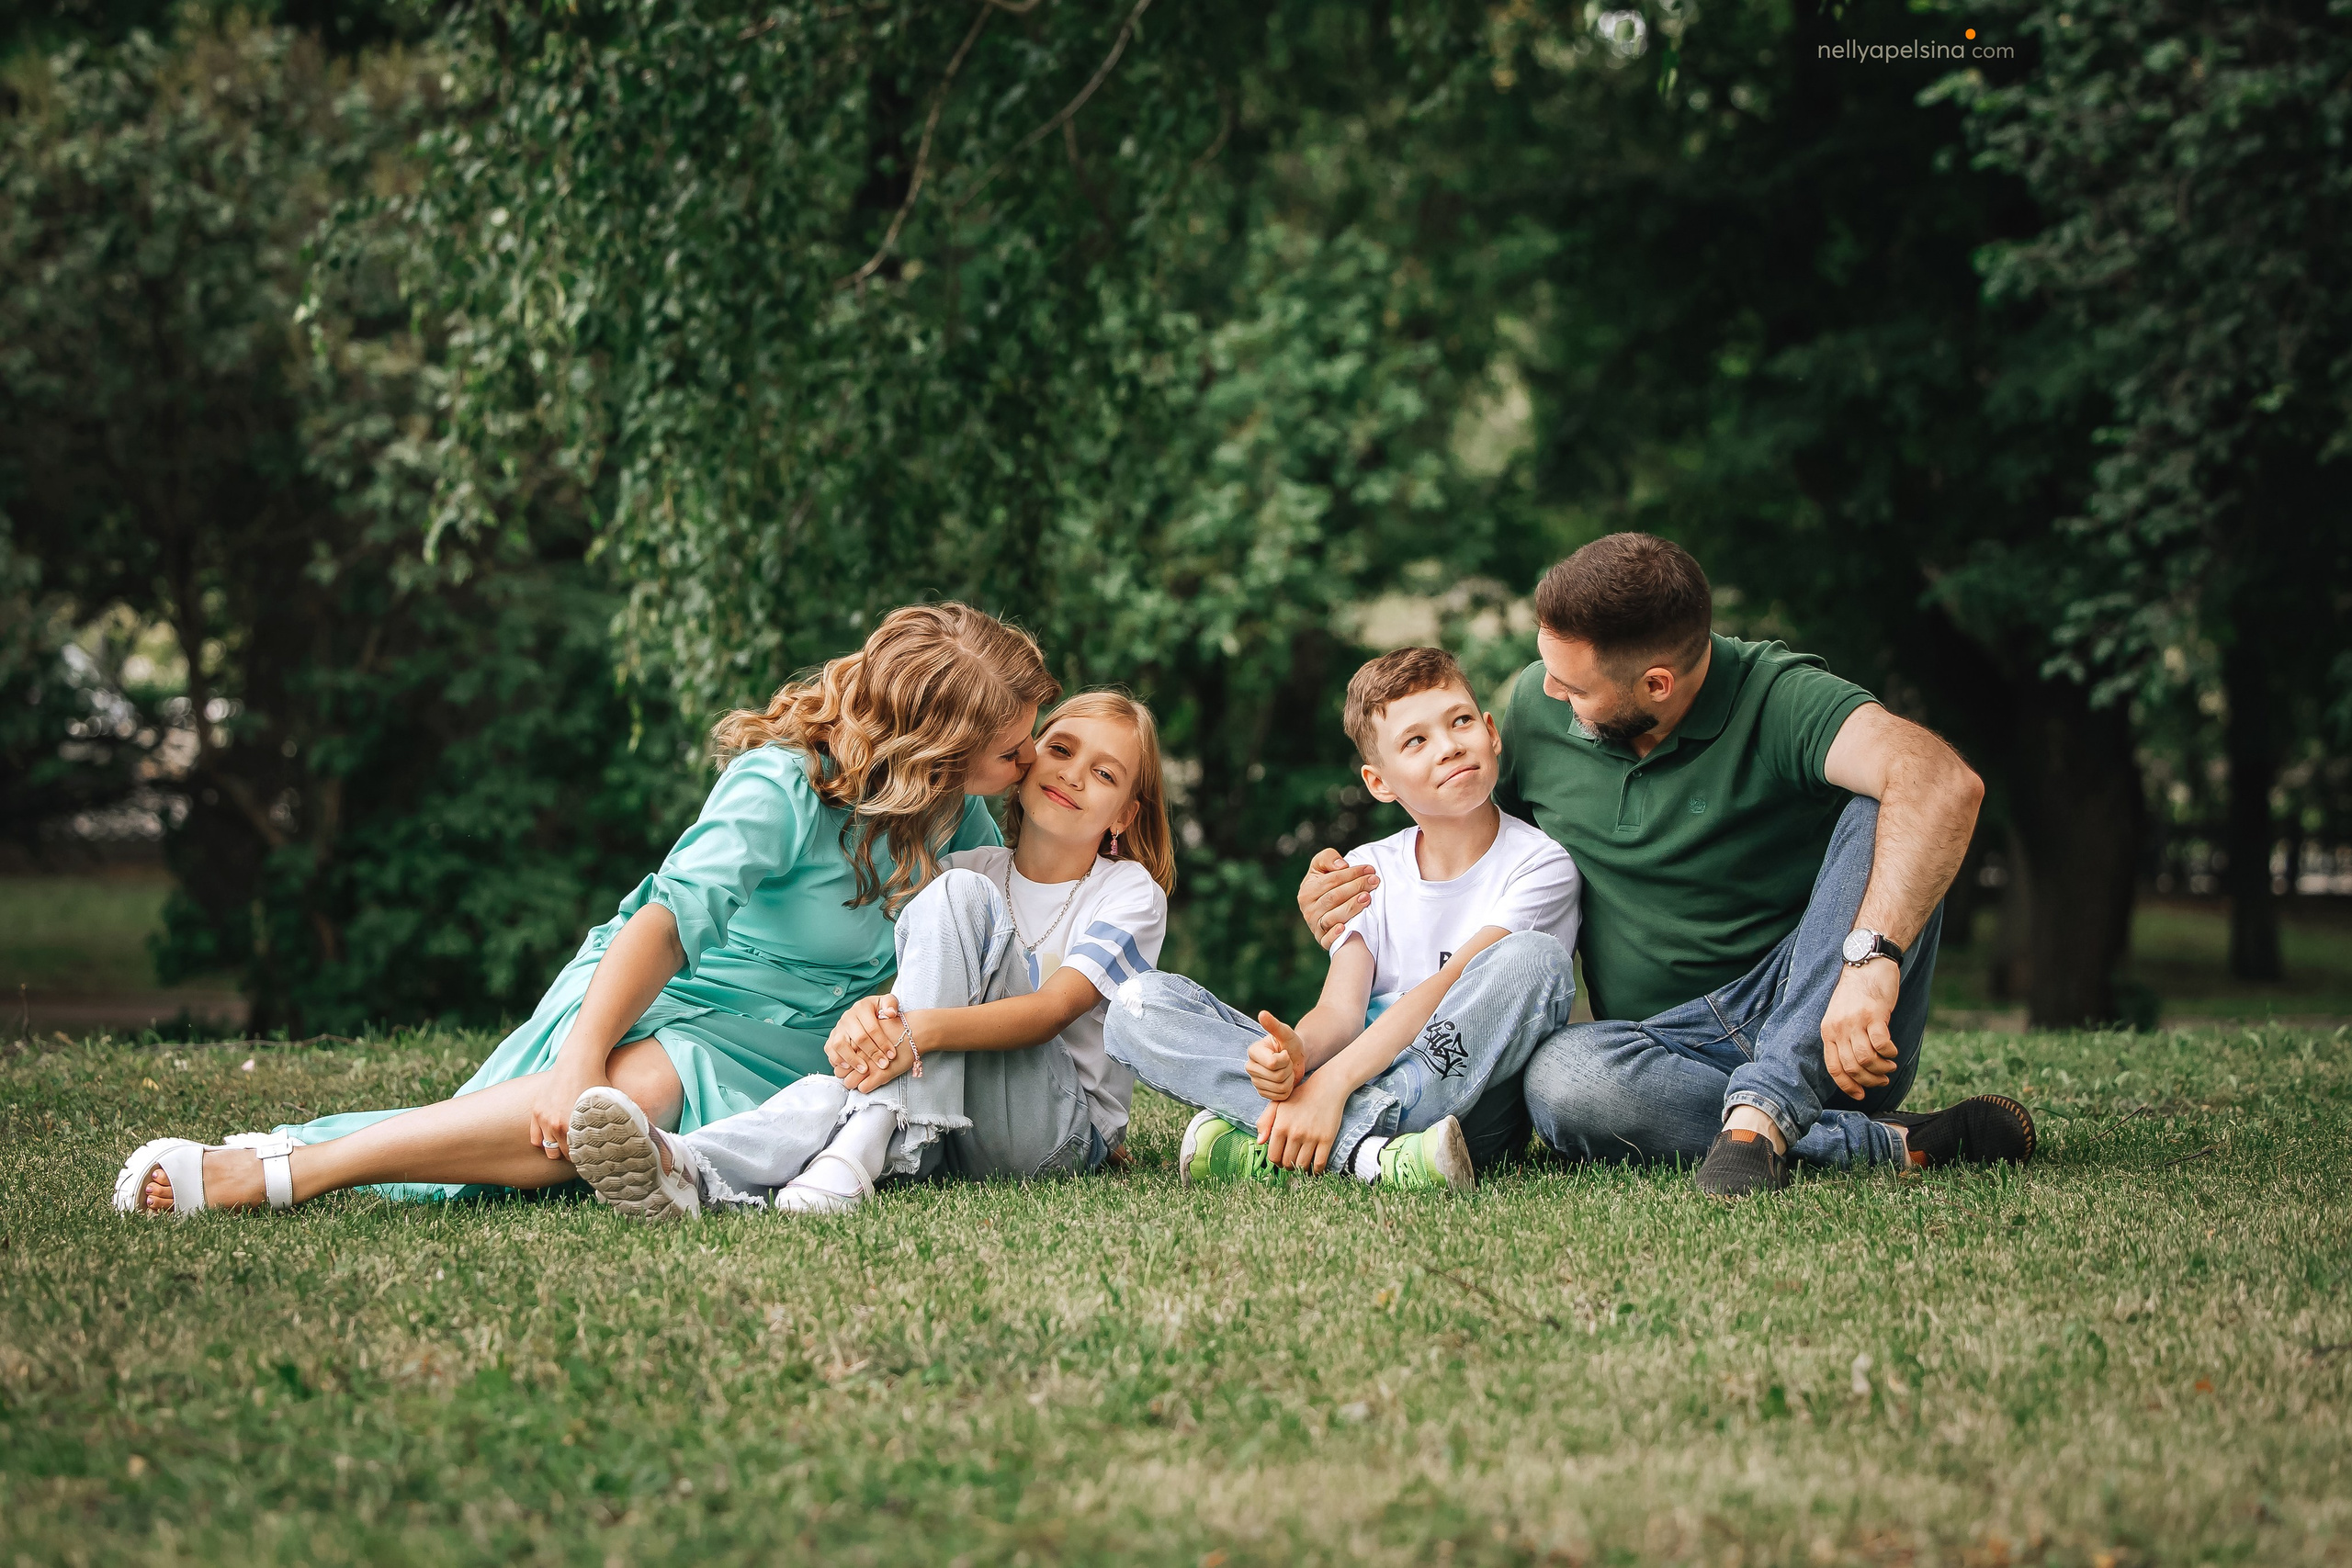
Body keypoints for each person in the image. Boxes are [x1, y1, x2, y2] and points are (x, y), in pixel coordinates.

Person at [115, 603, 1058, 1215]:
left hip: (809, 1048)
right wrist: (577, 1059)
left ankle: (311, 1157)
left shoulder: (950, 809)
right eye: (1014, 749)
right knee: (605, 1106)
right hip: (687, 1003)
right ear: (939, 742)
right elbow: (664, 924)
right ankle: (287, 1170)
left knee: (602, 1132)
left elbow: (977, 947)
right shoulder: (782, 786)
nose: (1027, 764)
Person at [1295, 534, 2035, 1199]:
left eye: (1572, 686)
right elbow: (1478, 846)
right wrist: (1350, 894)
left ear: (1656, 684)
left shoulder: (1777, 696)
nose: (1547, 693)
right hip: (1664, 1051)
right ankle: (1861, 1141)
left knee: (1886, 804)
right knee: (1560, 1078)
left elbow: (1943, 783)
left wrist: (1869, 963)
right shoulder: (1538, 709)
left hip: (1826, 1017)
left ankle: (1769, 1107)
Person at [565, 691, 1173, 1219]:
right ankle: (687, 1165)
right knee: (829, 1089)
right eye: (1061, 749)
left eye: (1104, 774)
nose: (1073, 774)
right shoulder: (965, 864)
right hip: (953, 1125)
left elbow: (1051, 1010)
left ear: (1125, 814)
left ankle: (859, 1149)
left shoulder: (1128, 893)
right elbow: (909, 992)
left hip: (1053, 1132)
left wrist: (912, 1031)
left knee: (951, 908)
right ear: (1028, 758)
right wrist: (874, 1017)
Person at [1107, 647, 1580, 1191]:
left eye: (1460, 722)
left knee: (1534, 958)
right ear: (1379, 782)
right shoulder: (1367, 870)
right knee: (1136, 1005)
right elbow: (1341, 1010)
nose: (1449, 746)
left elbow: (1450, 984)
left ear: (1491, 732)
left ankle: (1280, 1139)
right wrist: (1297, 1056)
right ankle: (1374, 1157)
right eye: (1416, 740)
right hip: (1354, 1078)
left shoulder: (1541, 865)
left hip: (1464, 1101)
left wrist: (1331, 1085)